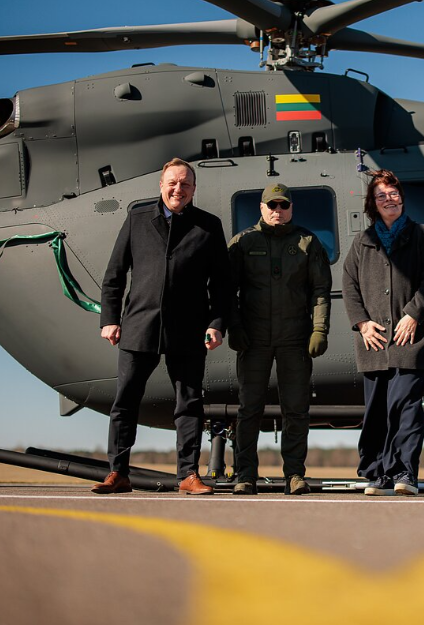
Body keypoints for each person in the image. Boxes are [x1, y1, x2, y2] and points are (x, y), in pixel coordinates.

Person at [94, 157, 229, 495]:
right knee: (125, 400)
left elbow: (222, 284)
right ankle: (118, 473)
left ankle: (188, 475)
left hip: (188, 328)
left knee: (189, 404)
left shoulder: (208, 225)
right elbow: (114, 274)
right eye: (172, 183)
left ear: (194, 189)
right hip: (139, 325)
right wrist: (110, 319)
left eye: (185, 184)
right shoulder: (137, 218)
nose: (178, 189)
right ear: (161, 185)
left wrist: (216, 323)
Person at [341, 170, 424, 496]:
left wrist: (413, 314)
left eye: (394, 193)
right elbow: (349, 285)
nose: (390, 200)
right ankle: (377, 473)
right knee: (376, 409)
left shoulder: (423, 235)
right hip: (374, 339)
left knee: (405, 403)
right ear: (373, 203)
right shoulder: (362, 242)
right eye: (382, 195)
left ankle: (404, 473)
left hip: (413, 336)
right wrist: (362, 323)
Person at [228, 183, 332, 495]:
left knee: (296, 409)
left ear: (291, 208)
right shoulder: (243, 242)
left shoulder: (307, 242)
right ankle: (245, 475)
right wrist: (235, 327)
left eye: (283, 205)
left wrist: (319, 330)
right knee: (249, 409)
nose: (277, 211)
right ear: (261, 208)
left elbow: (320, 291)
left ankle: (295, 475)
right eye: (271, 205)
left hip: (294, 338)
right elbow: (227, 291)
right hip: (254, 339)